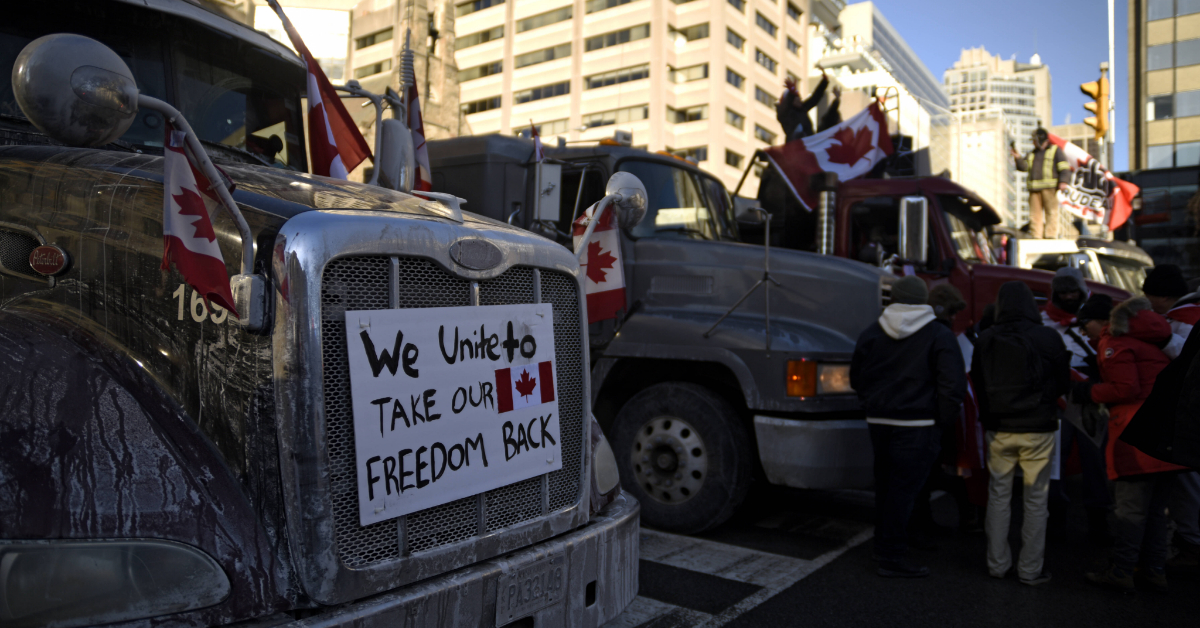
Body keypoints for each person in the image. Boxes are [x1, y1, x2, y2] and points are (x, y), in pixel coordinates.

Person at [851, 276, 967, 578]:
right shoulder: (938, 335)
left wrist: (872, 403)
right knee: (905, 492)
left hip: (879, 422)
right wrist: (941, 420)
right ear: (922, 300)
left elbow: (856, 378)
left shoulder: (872, 332)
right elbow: (952, 383)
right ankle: (892, 556)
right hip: (918, 424)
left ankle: (883, 546)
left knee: (886, 488)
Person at [1076, 298, 1188, 592]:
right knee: (1155, 511)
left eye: (1085, 322)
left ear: (1102, 321)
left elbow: (1125, 388)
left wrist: (1089, 391)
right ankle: (1154, 570)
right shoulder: (1151, 339)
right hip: (1165, 435)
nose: (1083, 330)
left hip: (1135, 434)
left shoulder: (1116, 342)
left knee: (1130, 510)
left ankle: (1122, 570)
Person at [972, 281, 1070, 586]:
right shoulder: (1048, 337)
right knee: (1035, 500)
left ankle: (997, 564)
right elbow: (1063, 384)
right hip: (1038, 429)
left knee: (998, 496)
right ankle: (1030, 570)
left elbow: (977, 383)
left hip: (999, 429)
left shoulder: (986, 338)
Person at [1043, 268, 1112, 545]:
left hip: (1091, 398)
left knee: (1095, 462)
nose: (1069, 297)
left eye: (1074, 292)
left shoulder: (1098, 316)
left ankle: (1099, 521)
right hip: (1059, 399)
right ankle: (1057, 519)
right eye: (1064, 293)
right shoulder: (1044, 320)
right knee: (1055, 462)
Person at [1011, 128, 1070, 239]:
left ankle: (1050, 236)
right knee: (1034, 215)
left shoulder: (1055, 150)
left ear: (1041, 139)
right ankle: (1036, 236)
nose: (1033, 142)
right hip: (1034, 190)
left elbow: (1064, 168)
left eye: (1034, 140)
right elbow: (1023, 167)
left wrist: (1063, 181)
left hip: (1050, 188)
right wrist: (1018, 158)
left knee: (1051, 212)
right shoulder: (1032, 154)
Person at [1143, 264, 1198, 359]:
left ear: (1164, 297)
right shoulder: (1176, 316)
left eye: (1148, 296)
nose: (1146, 300)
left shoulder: (1188, 320)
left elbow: (1189, 355)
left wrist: (1164, 339)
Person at [777, 73, 829, 141]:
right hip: (795, 146)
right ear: (791, 101)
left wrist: (824, 82)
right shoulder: (785, 114)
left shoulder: (803, 109)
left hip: (809, 144)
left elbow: (814, 98)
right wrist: (791, 93)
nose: (800, 99)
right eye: (797, 98)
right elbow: (784, 108)